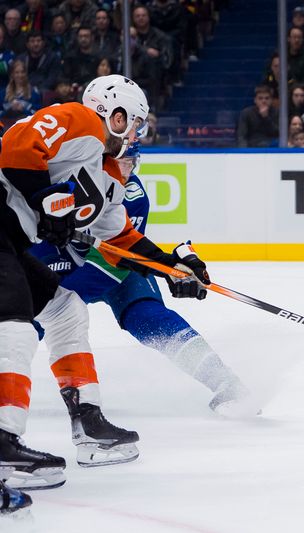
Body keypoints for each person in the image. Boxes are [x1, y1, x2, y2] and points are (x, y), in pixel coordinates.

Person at [0, 75, 210, 493]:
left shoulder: (106, 175)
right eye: (135, 122)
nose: (137, 134)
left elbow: (120, 238)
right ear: (114, 115)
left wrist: (173, 267)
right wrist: (45, 201)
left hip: (11, 239)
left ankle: (89, 423)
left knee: (64, 310)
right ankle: (4, 443)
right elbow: (14, 149)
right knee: (16, 326)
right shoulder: (79, 120)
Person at [29, 142, 259, 421]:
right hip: (52, 259)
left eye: (132, 162)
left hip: (113, 269)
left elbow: (115, 263)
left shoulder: (133, 195)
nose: (127, 170)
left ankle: (225, 382)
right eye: (121, 161)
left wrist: (169, 268)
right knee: (27, 317)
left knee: (147, 316)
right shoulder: (63, 180)